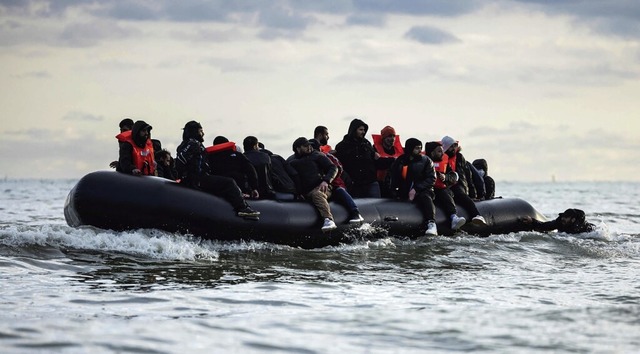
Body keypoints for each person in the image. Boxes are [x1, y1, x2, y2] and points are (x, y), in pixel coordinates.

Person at [175, 121, 260, 219]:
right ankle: (243, 208)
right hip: (198, 179)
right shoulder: (193, 143)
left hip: (195, 178)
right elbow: (181, 160)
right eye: (201, 131)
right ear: (194, 132)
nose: (203, 134)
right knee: (229, 182)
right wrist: (186, 178)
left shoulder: (186, 144)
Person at [287, 137, 339, 231]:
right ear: (298, 148)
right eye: (306, 146)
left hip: (322, 188)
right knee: (313, 194)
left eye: (309, 145)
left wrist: (326, 181)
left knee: (317, 194)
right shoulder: (291, 161)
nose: (309, 147)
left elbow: (333, 168)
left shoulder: (317, 155)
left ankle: (328, 219)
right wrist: (298, 193)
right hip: (305, 192)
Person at [389, 138, 438, 236]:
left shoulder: (426, 160)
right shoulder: (400, 161)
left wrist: (416, 189)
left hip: (423, 190)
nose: (420, 151)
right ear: (410, 149)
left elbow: (432, 178)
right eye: (417, 148)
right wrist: (394, 192)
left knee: (425, 197)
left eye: (420, 148)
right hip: (404, 190)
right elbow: (393, 177)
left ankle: (431, 223)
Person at [309, 139, 364, 223]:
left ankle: (355, 212)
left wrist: (328, 179)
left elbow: (338, 168)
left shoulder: (327, 157)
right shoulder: (307, 161)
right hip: (320, 188)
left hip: (334, 184)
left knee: (340, 190)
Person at [440, 136, 487, 226]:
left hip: (458, 185)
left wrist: (473, 194)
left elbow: (468, 176)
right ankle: (453, 218)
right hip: (444, 186)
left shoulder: (459, 158)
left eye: (455, 146)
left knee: (462, 196)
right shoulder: (440, 158)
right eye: (451, 146)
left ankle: (477, 215)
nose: (453, 149)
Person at [424, 141, 467, 231]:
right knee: (426, 197)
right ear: (432, 153)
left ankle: (453, 217)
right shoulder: (423, 162)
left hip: (440, 189)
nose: (442, 154)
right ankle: (431, 223)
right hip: (427, 189)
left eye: (442, 151)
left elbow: (453, 175)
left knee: (445, 194)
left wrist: (446, 177)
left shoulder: (444, 163)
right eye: (439, 151)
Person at [334, 118, 381, 198]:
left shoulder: (366, 144)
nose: (363, 132)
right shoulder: (342, 146)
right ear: (354, 130)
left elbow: (375, 158)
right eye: (361, 130)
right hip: (354, 184)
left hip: (370, 181)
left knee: (376, 205)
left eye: (364, 130)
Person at [372, 125, 404, 198]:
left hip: (396, 183)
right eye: (389, 136)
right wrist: (394, 160)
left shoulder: (399, 150)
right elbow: (379, 163)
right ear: (383, 138)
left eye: (393, 136)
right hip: (380, 183)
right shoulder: (375, 149)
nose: (392, 139)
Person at [520, 208, 595, 234]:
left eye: (566, 217)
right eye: (563, 217)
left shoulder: (582, 227)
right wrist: (532, 221)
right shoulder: (559, 222)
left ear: (573, 220)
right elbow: (545, 226)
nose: (563, 219)